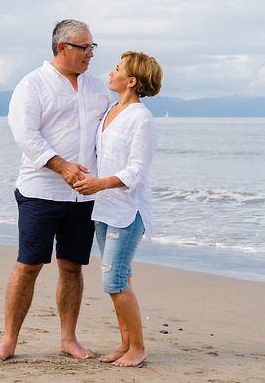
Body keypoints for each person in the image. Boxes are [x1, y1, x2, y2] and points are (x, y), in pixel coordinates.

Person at [0, 19, 113, 362]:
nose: (90, 54)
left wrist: (112, 181)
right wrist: (62, 166)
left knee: (72, 267)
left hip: (84, 194)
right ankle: (9, 340)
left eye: (92, 47)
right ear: (62, 48)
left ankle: (68, 339)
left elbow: (108, 136)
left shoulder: (98, 87)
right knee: (28, 265)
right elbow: (25, 136)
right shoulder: (33, 84)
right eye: (85, 47)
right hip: (40, 191)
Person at [73, 51, 162, 367]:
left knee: (115, 281)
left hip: (128, 212)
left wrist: (99, 184)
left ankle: (137, 347)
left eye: (117, 68)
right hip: (104, 209)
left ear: (132, 80)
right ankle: (125, 345)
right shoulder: (111, 110)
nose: (110, 72)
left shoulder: (142, 119)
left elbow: (137, 171)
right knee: (117, 281)